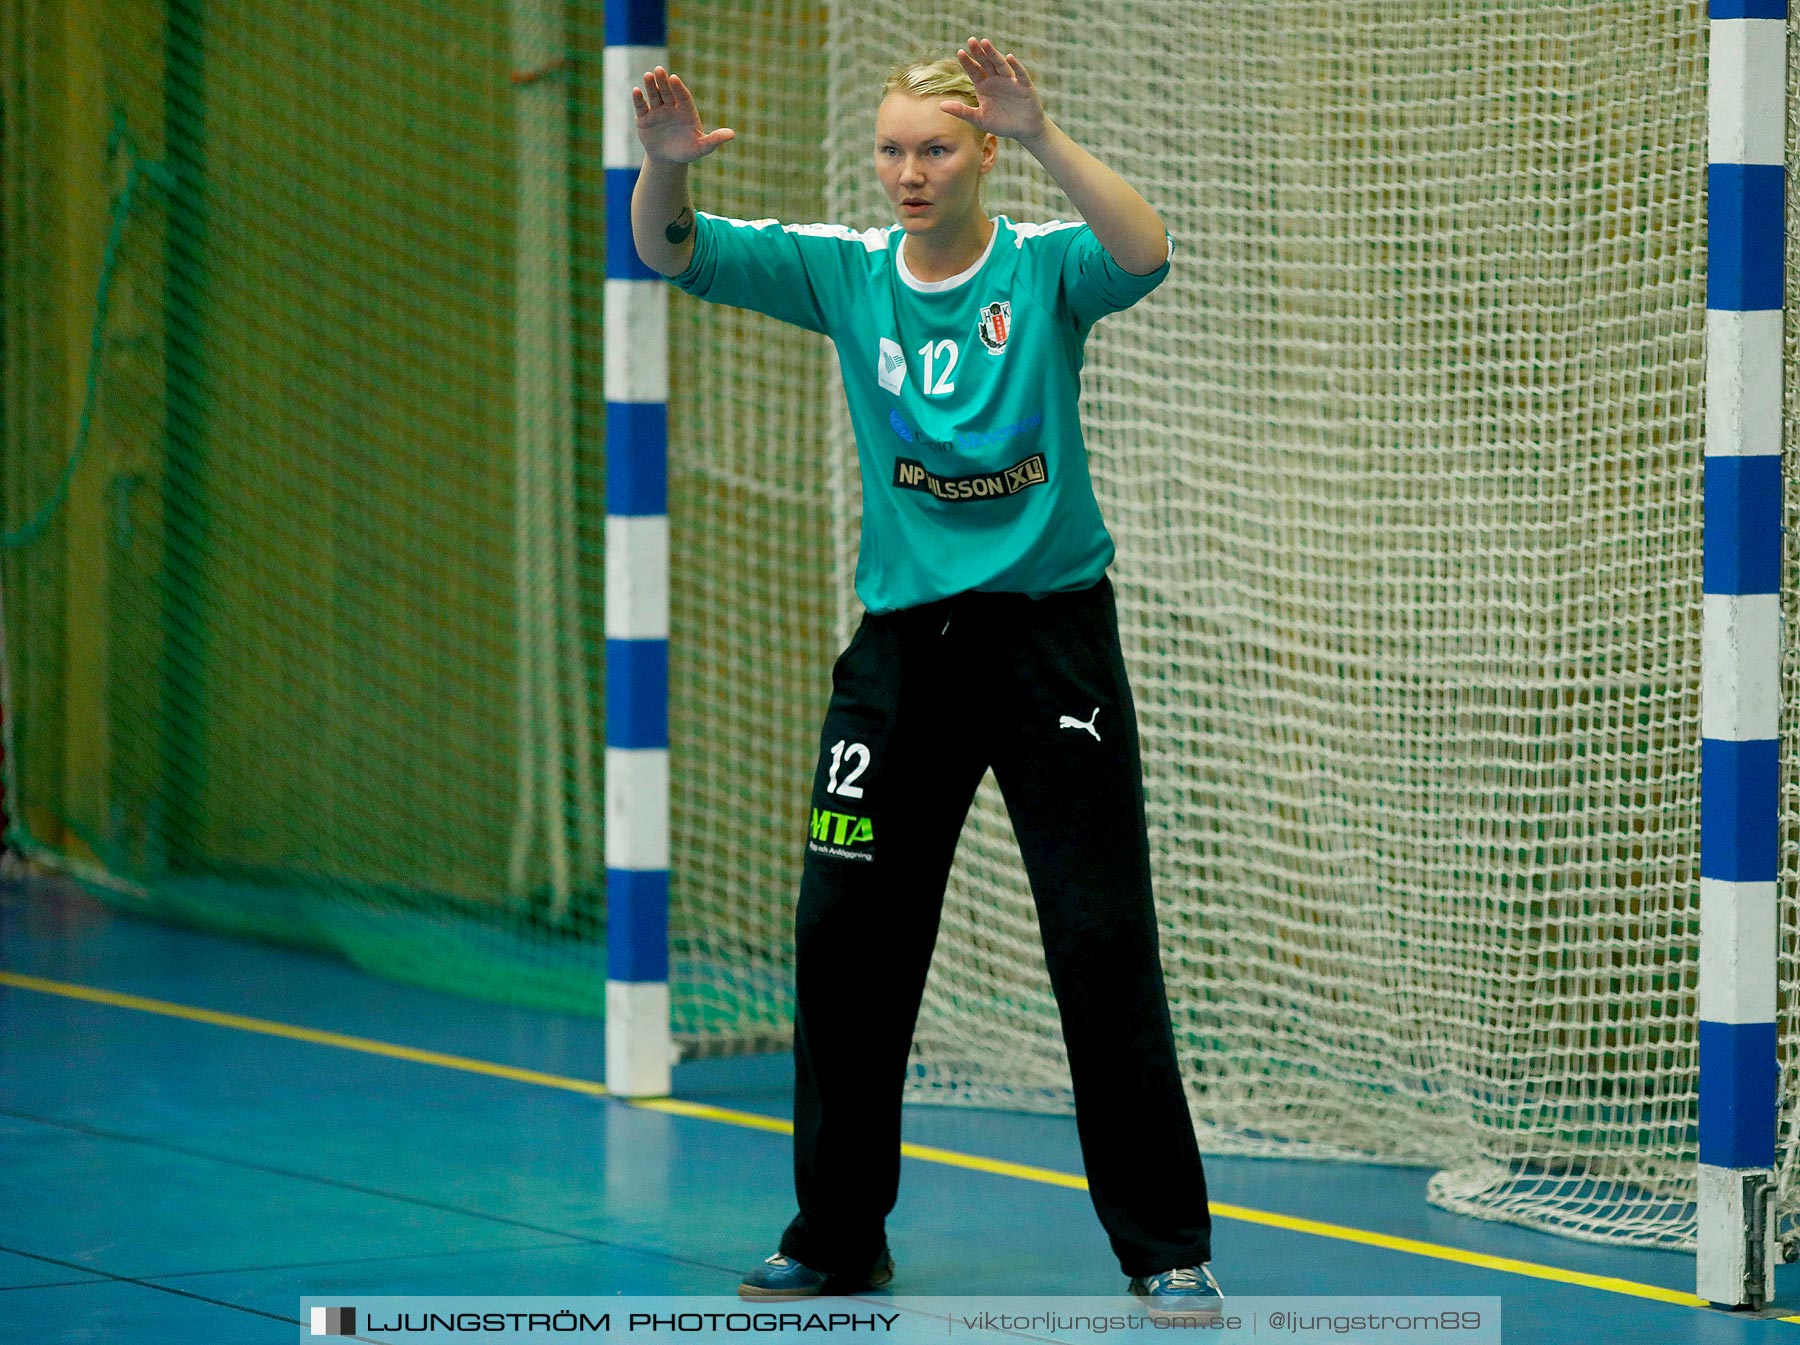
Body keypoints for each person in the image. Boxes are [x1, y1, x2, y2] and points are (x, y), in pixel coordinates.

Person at [629, 38, 1220, 1316]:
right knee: (843, 935)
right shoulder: (846, 275)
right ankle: (838, 1233)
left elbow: (1144, 252)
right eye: (894, 149)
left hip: (1049, 639)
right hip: (901, 658)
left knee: (1100, 936)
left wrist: (1053, 133)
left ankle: (1167, 1242)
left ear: (982, 156)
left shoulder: (1042, 270)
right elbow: (673, 251)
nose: (909, 170)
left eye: (936, 148)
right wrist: (662, 172)